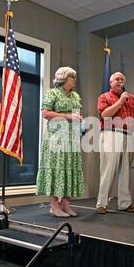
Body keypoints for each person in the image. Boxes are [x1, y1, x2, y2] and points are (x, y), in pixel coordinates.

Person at [96, 72, 134, 214]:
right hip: (111, 133)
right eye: (117, 79)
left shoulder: (132, 99)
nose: (120, 81)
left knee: (125, 171)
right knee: (108, 170)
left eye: (122, 79)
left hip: (129, 134)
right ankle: (102, 203)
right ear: (111, 82)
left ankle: (124, 203)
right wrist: (120, 101)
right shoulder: (104, 97)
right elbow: (104, 115)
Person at [36, 67, 85, 217]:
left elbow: (75, 113)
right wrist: (67, 116)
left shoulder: (75, 96)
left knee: (69, 168)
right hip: (55, 137)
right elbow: (45, 113)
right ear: (64, 79)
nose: (74, 80)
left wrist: (79, 120)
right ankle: (54, 206)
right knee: (56, 168)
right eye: (72, 77)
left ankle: (65, 205)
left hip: (71, 138)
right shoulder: (53, 93)